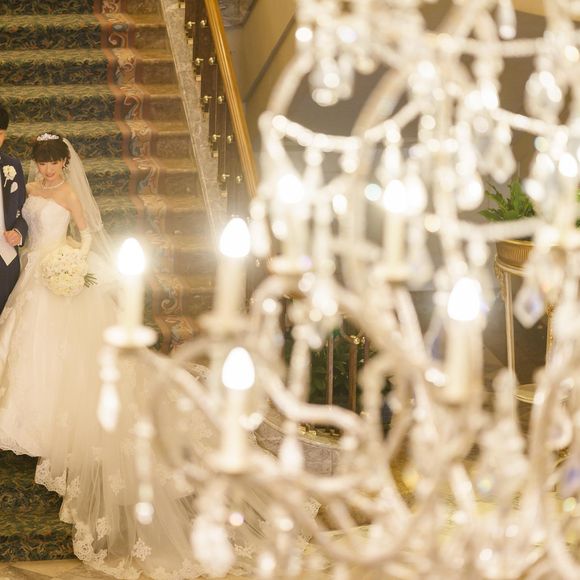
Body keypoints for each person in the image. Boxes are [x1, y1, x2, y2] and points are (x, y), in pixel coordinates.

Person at [0, 134, 301, 579]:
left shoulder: (69, 193)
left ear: (64, 162)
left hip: (59, 272)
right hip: (32, 272)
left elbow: (87, 234)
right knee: (21, 344)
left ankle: (50, 423)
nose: (46, 169)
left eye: (53, 162)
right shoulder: (27, 188)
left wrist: (72, 264)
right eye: (41, 163)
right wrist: (21, 239)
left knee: (59, 353)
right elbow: (20, 225)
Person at [0, 104, 28, 314]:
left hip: (6, 257)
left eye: (0, 134)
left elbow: (25, 211)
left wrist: (18, 232)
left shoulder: (12, 166)